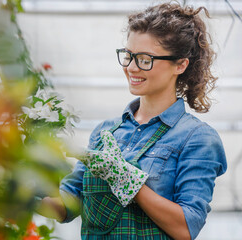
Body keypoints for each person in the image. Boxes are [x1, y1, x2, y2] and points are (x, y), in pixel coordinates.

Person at [37, 2, 227, 240]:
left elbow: (186, 228)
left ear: (180, 64)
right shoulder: (105, 132)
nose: (131, 67)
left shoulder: (197, 138)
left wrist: (127, 181)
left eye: (145, 59)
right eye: (128, 56)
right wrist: (23, 191)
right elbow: (67, 205)